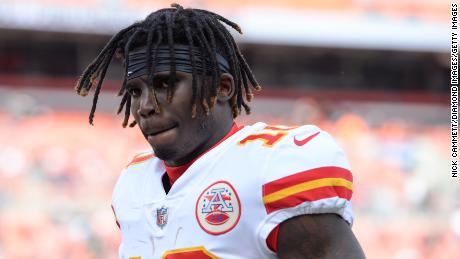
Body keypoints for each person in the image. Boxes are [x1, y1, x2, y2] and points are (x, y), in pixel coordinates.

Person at [75, 3, 365, 259]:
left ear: (222, 88)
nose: (145, 106)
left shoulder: (271, 164)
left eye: (166, 84)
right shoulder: (133, 183)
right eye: (136, 91)